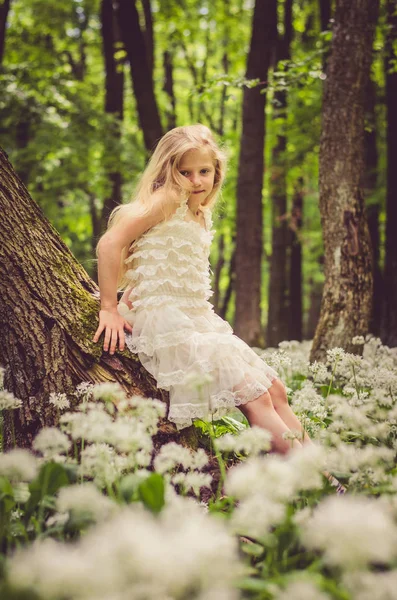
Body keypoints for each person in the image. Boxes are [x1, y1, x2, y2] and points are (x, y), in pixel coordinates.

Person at [92, 124, 345, 491]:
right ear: (168, 170)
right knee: (255, 396)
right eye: (185, 171)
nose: (196, 181)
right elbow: (109, 244)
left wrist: (135, 291)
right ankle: (317, 485)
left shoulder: (200, 213)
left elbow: (161, 261)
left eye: (204, 171)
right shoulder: (167, 201)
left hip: (196, 317)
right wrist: (110, 307)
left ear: (217, 172)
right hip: (169, 323)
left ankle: (323, 472)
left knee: (275, 389)